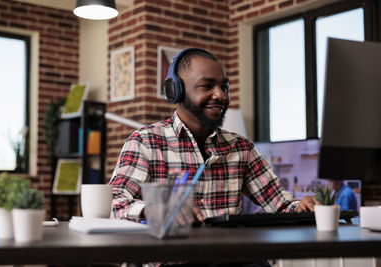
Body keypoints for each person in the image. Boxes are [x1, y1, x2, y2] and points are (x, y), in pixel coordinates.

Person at [109, 48, 318, 266]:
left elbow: (280, 204)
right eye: (207, 86)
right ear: (176, 91)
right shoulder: (146, 142)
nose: (221, 95)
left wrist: (302, 207)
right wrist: (156, 208)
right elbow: (114, 204)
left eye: (224, 87)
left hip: (230, 260)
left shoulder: (240, 147)